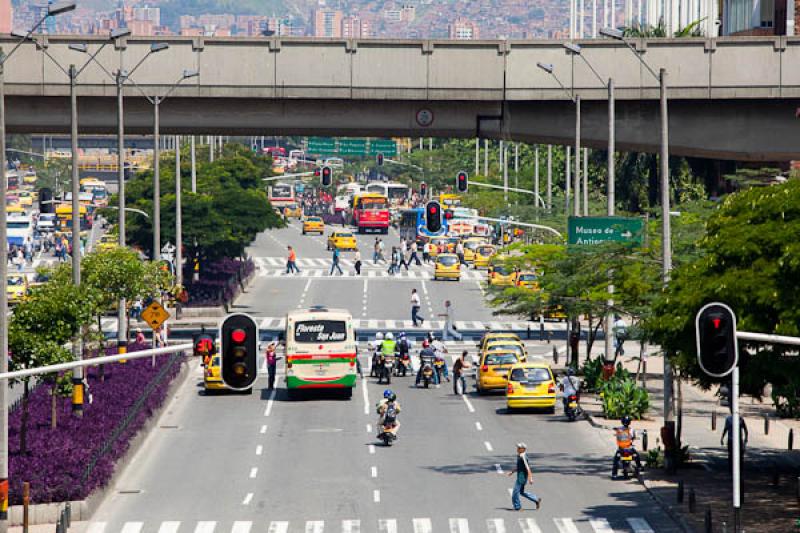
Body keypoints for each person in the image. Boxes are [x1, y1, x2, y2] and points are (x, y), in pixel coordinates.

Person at [507, 442, 541, 511]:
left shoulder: (523, 457)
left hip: (522, 477)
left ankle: (518, 507)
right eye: (517, 447)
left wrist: (530, 478)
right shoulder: (519, 455)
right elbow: (519, 466)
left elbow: (528, 468)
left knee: (515, 492)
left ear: (523, 449)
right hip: (520, 475)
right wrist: (512, 472)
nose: (517, 449)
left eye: (519, 448)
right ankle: (536, 500)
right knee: (521, 492)